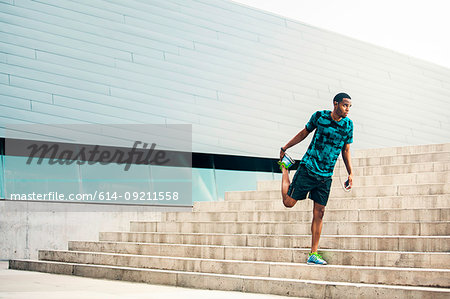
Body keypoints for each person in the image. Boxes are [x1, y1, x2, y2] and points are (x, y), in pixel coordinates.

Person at [278, 93, 354, 265]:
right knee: (288, 202)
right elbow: (304, 132)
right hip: (309, 167)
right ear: (335, 104)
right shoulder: (319, 116)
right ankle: (285, 169)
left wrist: (350, 173)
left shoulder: (348, 125)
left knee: (319, 213)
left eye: (349, 106)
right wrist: (286, 146)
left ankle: (313, 254)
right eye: (344, 105)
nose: (347, 109)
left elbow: (346, 150)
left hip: (326, 175)